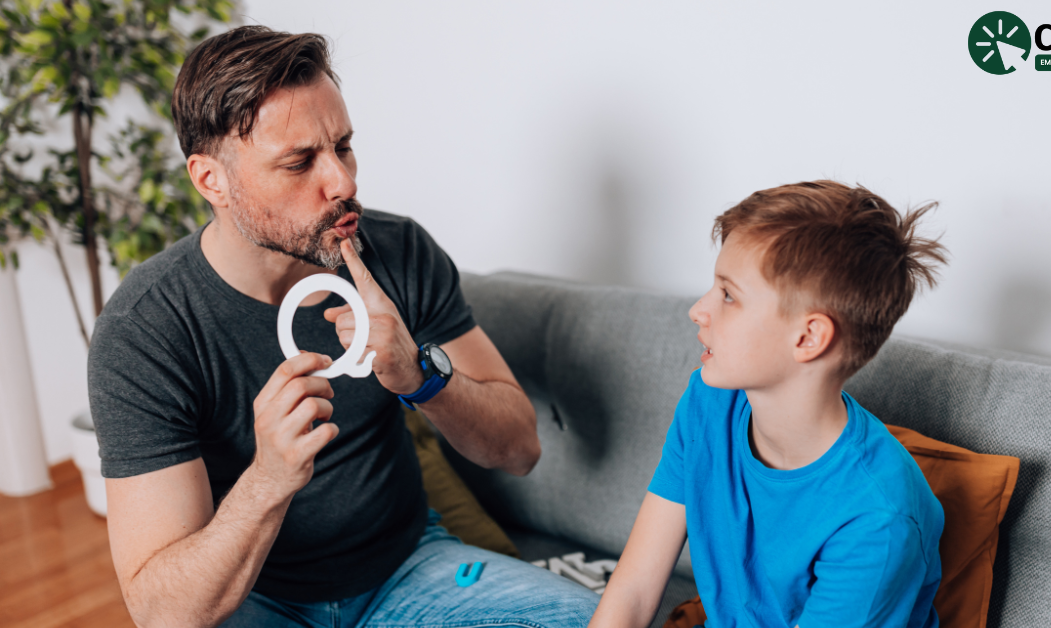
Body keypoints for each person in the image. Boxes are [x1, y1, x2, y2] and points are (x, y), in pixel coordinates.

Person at [88, 26, 598, 628]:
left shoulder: (399, 251)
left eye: (344, 146)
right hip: (254, 597)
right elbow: (161, 613)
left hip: (408, 570)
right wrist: (269, 479)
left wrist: (421, 377)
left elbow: (519, 449)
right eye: (299, 161)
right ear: (211, 181)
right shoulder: (145, 330)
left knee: (603, 618)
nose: (344, 184)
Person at [590, 181, 948, 627]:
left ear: (808, 338)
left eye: (728, 295)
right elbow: (633, 590)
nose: (698, 310)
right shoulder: (708, 401)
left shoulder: (879, 518)